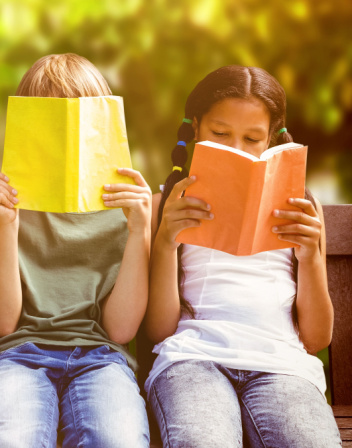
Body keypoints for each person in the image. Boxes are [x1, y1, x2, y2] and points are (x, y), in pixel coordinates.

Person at [144, 65, 341, 447]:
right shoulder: (166, 206)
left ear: (272, 140)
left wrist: (311, 258)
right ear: (196, 128)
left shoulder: (302, 210)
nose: (236, 149)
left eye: (252, 138)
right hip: (192, 358)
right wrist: (166, 242)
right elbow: (159, 331)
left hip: (282, 366)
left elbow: (316, 338)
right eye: (220, 134)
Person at [0, 53, 152, 447]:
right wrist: (7, 227)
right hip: (16, 355)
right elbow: (2, 323)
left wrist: (140, 229)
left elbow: (121, 329)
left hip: (101, 358)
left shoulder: (126, 207)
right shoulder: (1, 204)